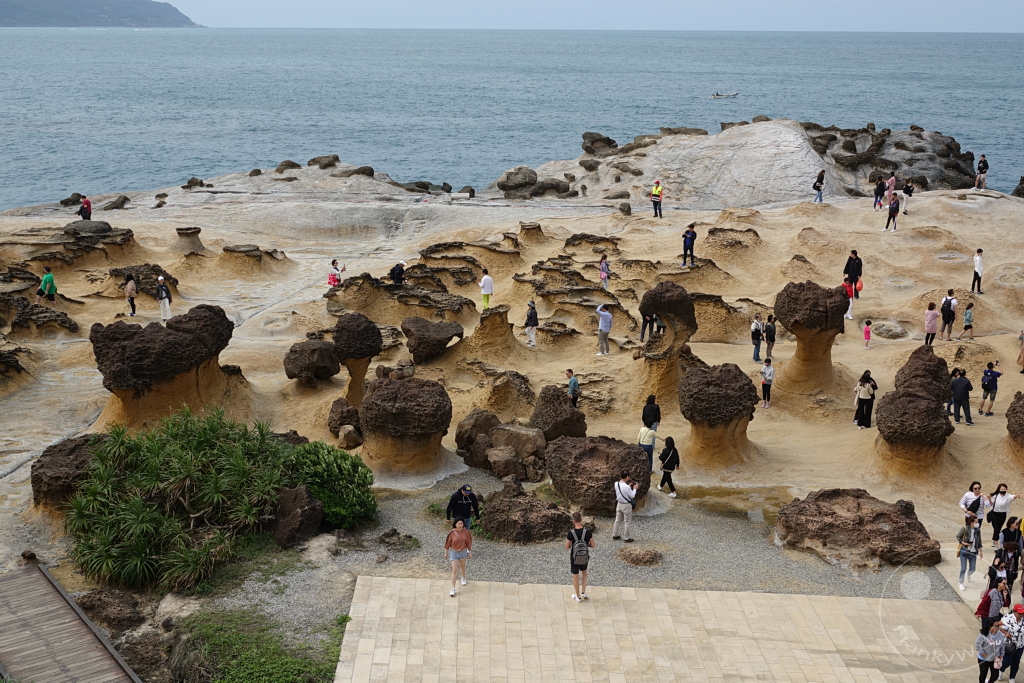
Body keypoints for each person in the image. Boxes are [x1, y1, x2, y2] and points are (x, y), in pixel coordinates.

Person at [566, 512, 595, 602]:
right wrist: (586, 545)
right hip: (584, 557)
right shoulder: (587, 531)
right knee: (584, 572)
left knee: (576, 576)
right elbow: (593, 545)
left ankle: (578, 596)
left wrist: (573, 545)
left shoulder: (571, 533)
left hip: (574, 558)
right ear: (581, 520)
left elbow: (567, 547)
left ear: (573, 521)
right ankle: (583, 592)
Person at [444, 518, 472, 597]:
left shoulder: (466, 532)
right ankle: (453, 588)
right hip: (454, 553)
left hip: (463, 552)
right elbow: (447, 543)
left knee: (462, 566)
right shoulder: (452, 533)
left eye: (462, 524)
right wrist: (446, 552)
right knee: (454, 570)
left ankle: (463, 577)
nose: (460, 525)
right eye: (459, 524)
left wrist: (469, 552)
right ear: (455, 524)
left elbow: (469, 542)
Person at [999, 604, 1024, 682]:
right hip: (1009, 644)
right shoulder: (1007, 618)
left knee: (1016, 662)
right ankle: (1001, 670)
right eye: (1020, 613)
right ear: (1014, 612)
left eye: (1023, 613)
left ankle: (1012, 677)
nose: (1021, 615)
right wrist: (1006, 633)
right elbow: (999, 626)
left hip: (1020, 644)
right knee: (1007, 661)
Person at [958, 513, 984, 590]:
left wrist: (981, 551)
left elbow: (979, 541)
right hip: (964, 552)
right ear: (971, 522)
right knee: (963, 568)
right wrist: (963, 543)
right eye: (976, 522)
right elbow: (958, 537)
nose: (977, 523)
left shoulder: (978, 531)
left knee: (973, 569)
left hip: (973, 552)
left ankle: (968, 574)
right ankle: (961, 582)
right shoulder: (965, 529)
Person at [612, 472, 637, 542]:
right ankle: (627, 538)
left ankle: (615, 535)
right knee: (627, 521)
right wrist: (635, 489)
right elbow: (632, 495)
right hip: (626, 505)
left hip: (619, 504)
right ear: (627, 477)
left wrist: (628, 486)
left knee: (617, 520)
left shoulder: (616, 483)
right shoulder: (626, 487)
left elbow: (622, 490)